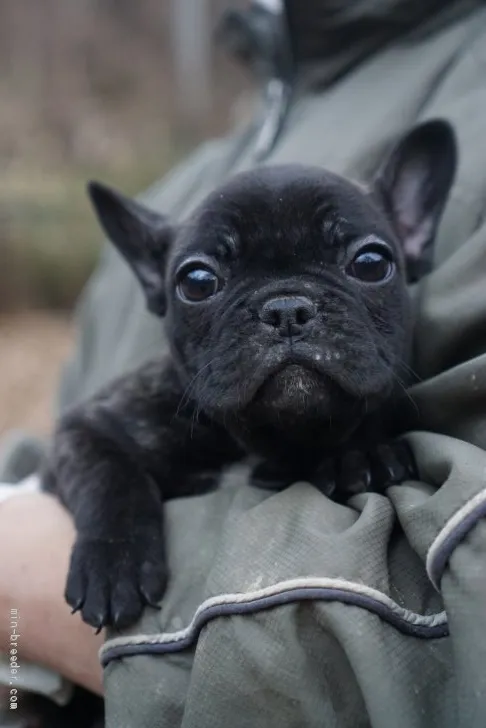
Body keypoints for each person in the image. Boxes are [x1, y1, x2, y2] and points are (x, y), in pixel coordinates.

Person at [2, 1, 486, 726]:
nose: (288, 315)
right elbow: (81, 436)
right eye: (203, 282)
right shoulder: (202, 171)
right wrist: (109, 525)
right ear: (152, 276)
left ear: (413, 235)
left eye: (364, 262)